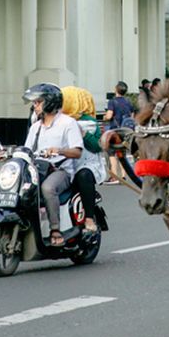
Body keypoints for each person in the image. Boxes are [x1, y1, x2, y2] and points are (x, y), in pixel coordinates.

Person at [23, 83, 83, 246]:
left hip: (60, 170)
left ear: (49, 102)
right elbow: (27, 150)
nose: (34, 106)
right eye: (34, 103)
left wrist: (59, 151)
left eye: (38, 102)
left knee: (48, 188)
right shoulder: (35, 127)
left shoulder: (67, 123)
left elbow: (77, 152)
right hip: (38, 169)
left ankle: (55, 229)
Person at [63, 86, 108, 233]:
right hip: (62, 163)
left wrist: (83, 134)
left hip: (85, 163)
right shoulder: (56, 119)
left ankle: (89, 218)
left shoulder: (88, 122)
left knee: (84, 176)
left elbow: (96, 146)